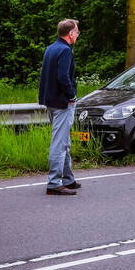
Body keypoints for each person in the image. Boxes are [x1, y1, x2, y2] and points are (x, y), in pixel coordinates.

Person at [38, 19, 81, 195]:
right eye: (77, 31)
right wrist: (72, 96)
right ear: (70, 33)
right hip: (63, 102)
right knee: (59, 143)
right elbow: (63, 77)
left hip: (50, 100)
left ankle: (68, 180)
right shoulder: (65, 51)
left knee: (64, 141)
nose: (78, 34)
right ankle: (54, 183)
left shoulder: (51, 48)